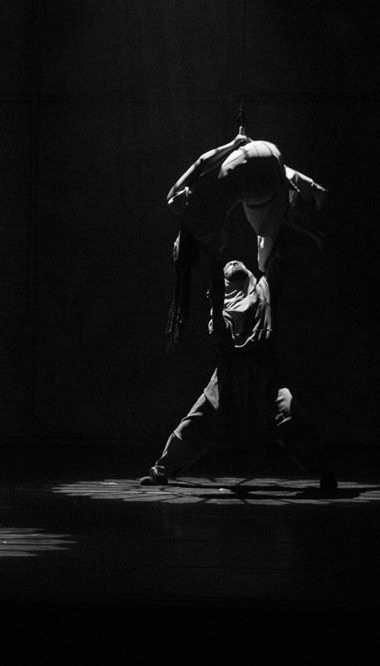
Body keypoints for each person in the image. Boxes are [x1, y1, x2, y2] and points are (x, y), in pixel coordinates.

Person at [141, 242, 336, 492]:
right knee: (194, 423)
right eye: (228, 267)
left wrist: (273, 227)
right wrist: (215, 300)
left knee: (291, 416)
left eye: (238, 264)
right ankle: (162, 468)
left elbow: (277, 256)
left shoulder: (263, 290)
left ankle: (323, 470)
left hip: (263, 376)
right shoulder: (222, 308)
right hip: (229, 380)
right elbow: (220, 337)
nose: (233, 263)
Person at [165, 130, 327, 347]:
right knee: (259, 191)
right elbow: (202, 161)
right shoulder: (176, 203)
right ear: (181, 244)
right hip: (255, 151)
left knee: (264, 250)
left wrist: (215, 298)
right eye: (174, 247)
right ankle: (310, 188)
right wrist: (234, 143)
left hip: (264, 176)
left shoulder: (209, 240)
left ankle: (313, 223)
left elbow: (218, 285)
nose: (173, 244)